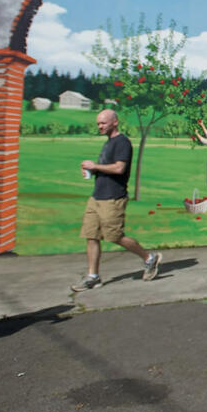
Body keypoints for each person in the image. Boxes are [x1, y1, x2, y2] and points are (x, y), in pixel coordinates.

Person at [72, 109, 161, 291]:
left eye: (103, 123)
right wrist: (92, 170)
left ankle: (149, 258)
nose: (100, 126)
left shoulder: (122, 142)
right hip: (97, 196)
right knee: (91, 235)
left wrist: (95, 166)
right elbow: (107, 167)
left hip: (113, 198)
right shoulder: (109, 143)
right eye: (98, 123)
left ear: (115, 122)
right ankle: (93, 277)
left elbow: (119, 168)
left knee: (115, 236)